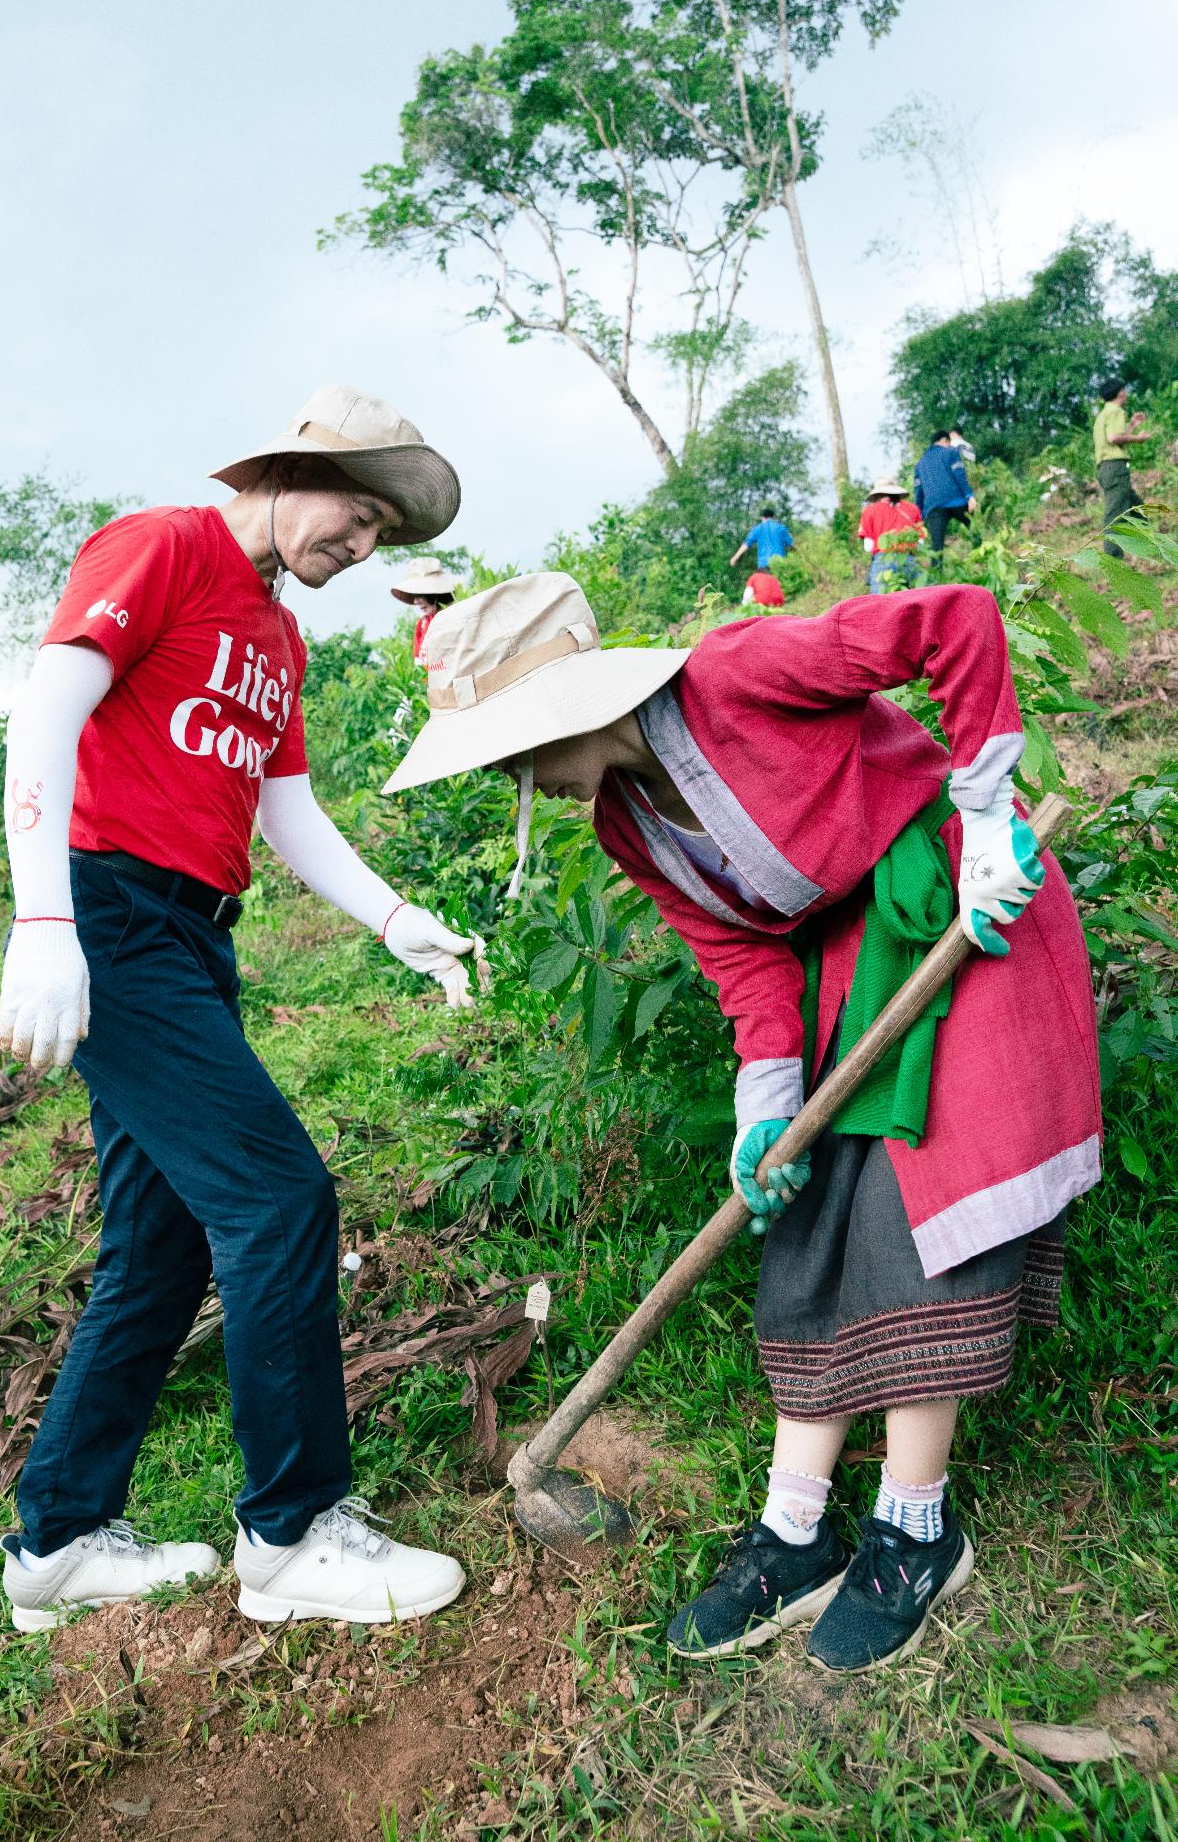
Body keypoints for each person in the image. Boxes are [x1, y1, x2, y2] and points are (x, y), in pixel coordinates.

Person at [386, 570, 1098, 1674]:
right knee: (809, 1217)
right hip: (853, 973)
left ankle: (916, 1531)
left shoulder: (739, 673)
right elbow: (743, 954)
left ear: (573, 703)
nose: (511, 774)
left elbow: (953, 618)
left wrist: (990, 814)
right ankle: (795, 1530)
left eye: (512, 745)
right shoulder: (630, 820)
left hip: (965, 912)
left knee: (923, 1208)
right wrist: (763, 1104)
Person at [0, 384, 482, 1637]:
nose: (362, 545)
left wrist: (393, 918)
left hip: (197, 937)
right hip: (109, 915)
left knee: (158, 1247)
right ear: (285, 471)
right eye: (355, 514)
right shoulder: (162, 546)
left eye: (383, 532)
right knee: (278, 1196)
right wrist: (43, 921)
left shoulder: (277, 637)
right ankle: (295, 1530)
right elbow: (48, 710)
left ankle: (54, 1538)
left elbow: (288, 811)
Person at [1092, 379, 1151, 557]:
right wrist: (1138, 439)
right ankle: (1113, 559)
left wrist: (1132, 425)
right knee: (1115, 515)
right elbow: (1113, 438)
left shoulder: (1104, 414)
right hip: (1115, 468)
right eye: (1124, 390)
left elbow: (1114, 436)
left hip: (1107, 469)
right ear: (1120, 393)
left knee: (1137, 508)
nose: (1125, 393)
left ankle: (1151, 544)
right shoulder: (1116, 411)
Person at [912, 433, 976, 573]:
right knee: (974, 529)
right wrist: (969, 495)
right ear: (945, 440)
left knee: (936, 547)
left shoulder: (920, 464)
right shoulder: (951, 452)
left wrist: (920, 516)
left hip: (933, 507)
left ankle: (937, 579)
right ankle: (980, 558)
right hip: (957, 500)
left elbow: (918, 491)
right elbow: (959, 474)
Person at [390, 555, 459, 665]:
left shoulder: (455, 618)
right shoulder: (423, 623)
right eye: (414, 596)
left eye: (419, 595)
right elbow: (420, 663)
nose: (416, 602)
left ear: (434, 594)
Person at [858, 479, 924, 593]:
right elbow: (921, 542)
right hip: (909, 559)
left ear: (877, 495)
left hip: (883, 559)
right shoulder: (913, 508)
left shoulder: (870, 511)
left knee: (880, 604)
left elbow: (868, 546)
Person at [730, 507, 795, 575]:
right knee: (778, 584)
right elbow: (791, 545)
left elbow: (746, 544)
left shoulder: (757, 528)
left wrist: (735, 557)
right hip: (779, 563)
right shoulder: (781, 528)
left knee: (765, 585)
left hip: (763, 565)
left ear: (762, 518)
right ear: (773, 517)